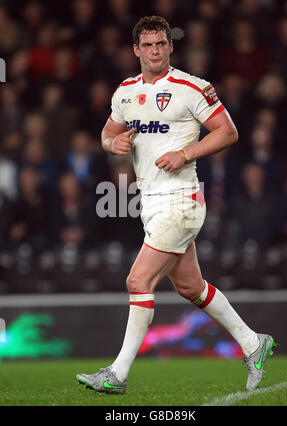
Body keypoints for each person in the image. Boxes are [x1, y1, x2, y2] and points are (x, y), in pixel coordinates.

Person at [77, 15, 276, 394]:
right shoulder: (124, 92)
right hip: (150, 203)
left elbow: (228, 132)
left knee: (138, 280)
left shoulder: (191, 87)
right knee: (190, 287)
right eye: (147, 45)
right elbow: (108, 132)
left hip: (182, 201)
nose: (155, 51)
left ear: (170, 46)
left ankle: (117, 375)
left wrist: (185, 153)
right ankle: (254, 343)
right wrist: (111, 144)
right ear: (136, 50)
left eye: (161, 44)